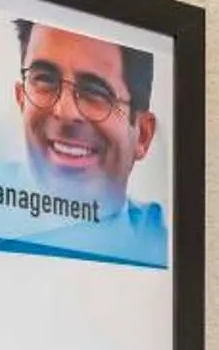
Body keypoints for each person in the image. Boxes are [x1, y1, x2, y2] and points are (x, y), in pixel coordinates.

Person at [14, 20, 165, 262]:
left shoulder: (166, 248)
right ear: (21, 100)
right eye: (44, 79)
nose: (64, 112)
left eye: (96, 92)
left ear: (143, 135)